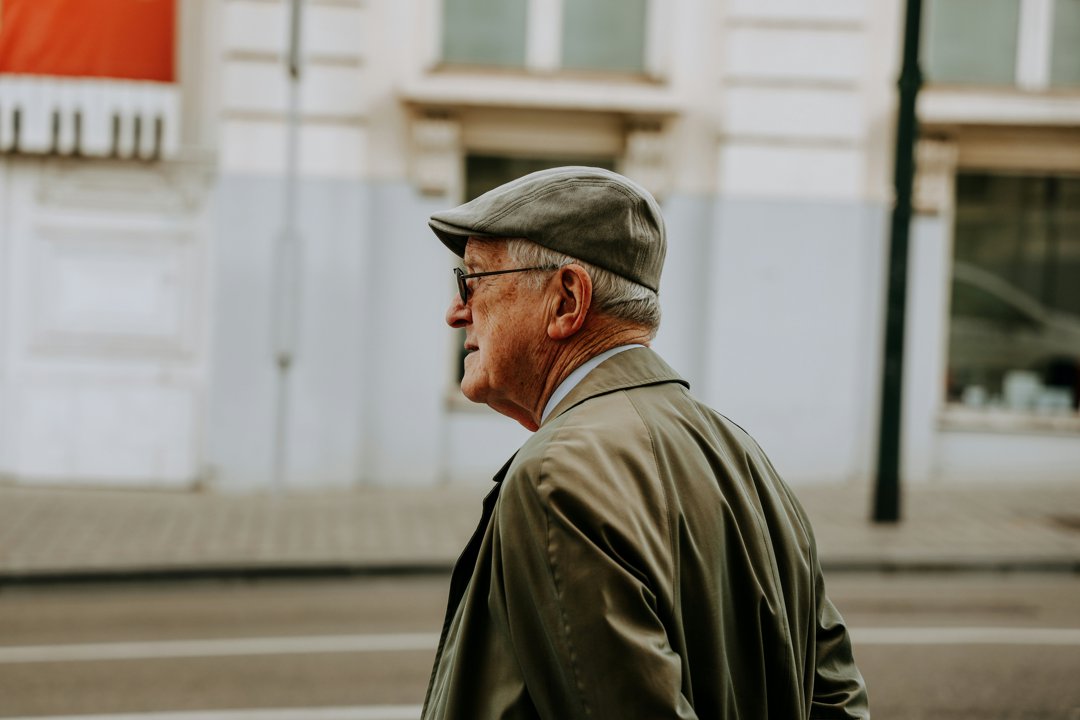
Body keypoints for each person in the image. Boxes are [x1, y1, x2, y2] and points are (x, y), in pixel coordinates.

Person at [422, 166, 869, 719]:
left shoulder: (556, 474)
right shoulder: (742, 454)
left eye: (474, 280)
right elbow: (836, 695)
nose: (455, 311)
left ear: (566, 301)